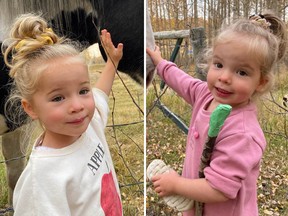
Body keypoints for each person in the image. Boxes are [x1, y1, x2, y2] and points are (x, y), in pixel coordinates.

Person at [146, 11, 287, 216]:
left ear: (261, 82)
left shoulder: (243, 133)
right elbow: (181, 80)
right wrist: (160, 63)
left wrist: (176, 184)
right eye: (219, 65)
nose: (224, 77)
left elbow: (219, 188)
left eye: (241, 72)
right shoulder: (206, 94)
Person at [2, 13, 123, 215]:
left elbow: (100, 93)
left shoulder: (90, 124)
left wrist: (112, 62)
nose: (77, 106)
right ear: (30, 108)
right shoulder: (41, 180)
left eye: (84, 91)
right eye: (58, 98)